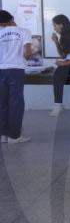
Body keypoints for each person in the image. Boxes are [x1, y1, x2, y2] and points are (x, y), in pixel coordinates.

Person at [0, 10, 32, 144]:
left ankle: (3, 136)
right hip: (16, 70)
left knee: (2, 103)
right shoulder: (24, 31)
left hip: (1, 69)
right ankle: (14, 136)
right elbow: (27, 52)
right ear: (12, 18)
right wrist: (24, 60)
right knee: (16, 103)